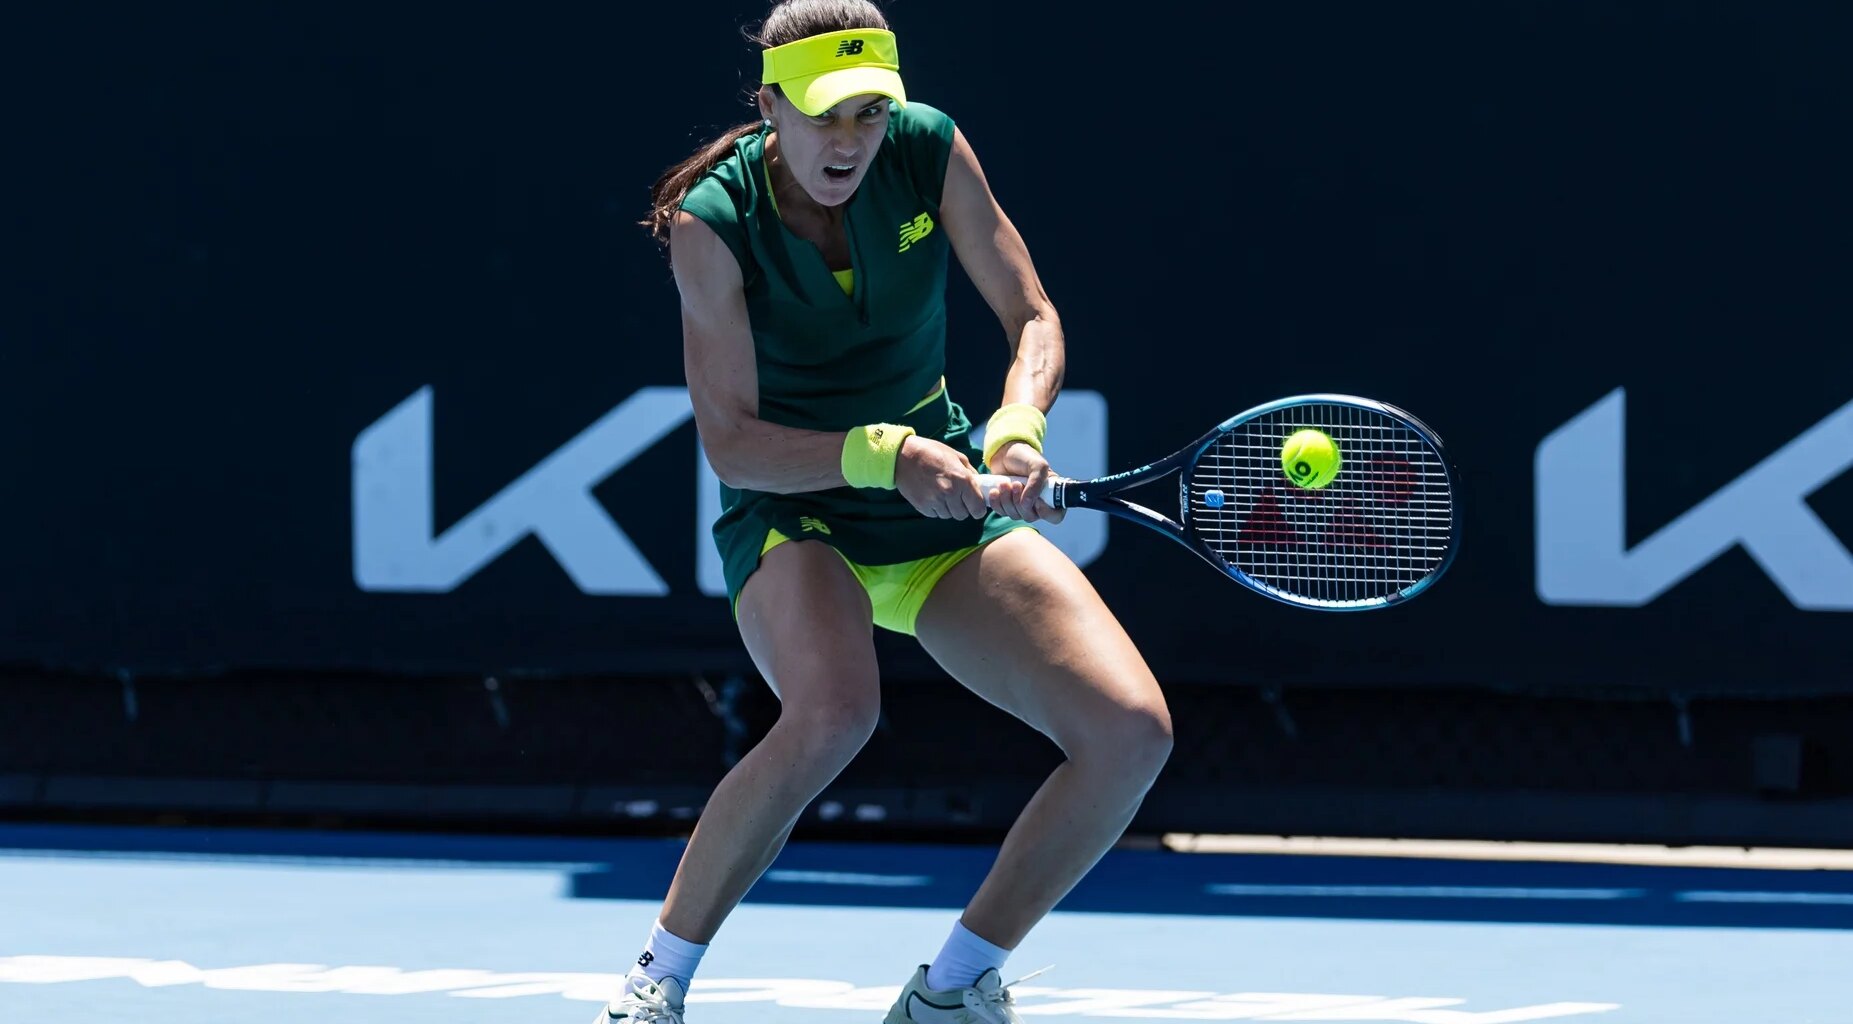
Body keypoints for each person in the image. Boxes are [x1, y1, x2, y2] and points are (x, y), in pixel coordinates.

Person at [598, 2, 1171, 1021]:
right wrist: (882, 454)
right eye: (825, 115)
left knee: (1129, 732)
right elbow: (730, 439)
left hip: (936, 493)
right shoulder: (711, 222)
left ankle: (949, 990)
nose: (849, 141)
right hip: (794, 507)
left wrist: (1015, 429)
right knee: (832, 713)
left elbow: (1028, 315)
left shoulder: (927, 150)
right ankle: (656, 982)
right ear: (771, 105)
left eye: (868, 113)